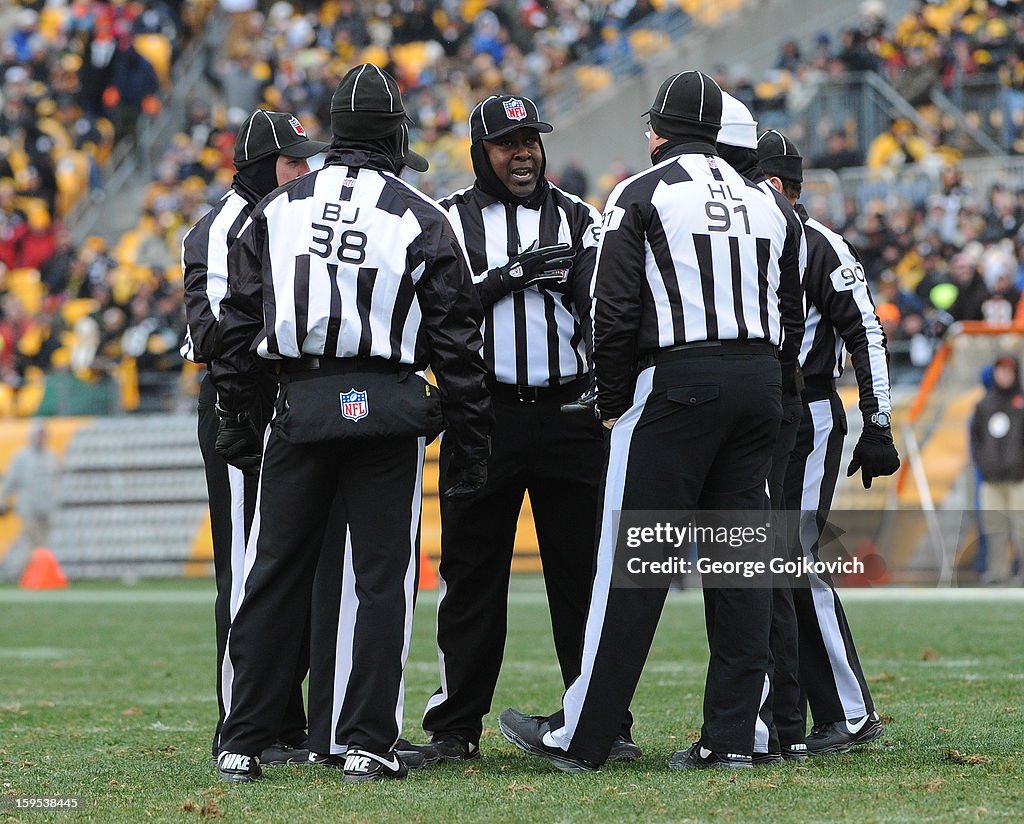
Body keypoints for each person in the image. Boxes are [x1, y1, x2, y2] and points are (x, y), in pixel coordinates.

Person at [499, 69, 804, 772]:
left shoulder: (640, 194)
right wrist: (770, 384)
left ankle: (586, 732)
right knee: (742, 566)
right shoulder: (768, 203)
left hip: (679, 385)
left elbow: (614, 310)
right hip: (758, 384)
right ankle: (732, 737)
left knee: (633, 563)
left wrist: (610, 398)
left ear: (660, 132)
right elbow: (791, 311)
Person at [211, 63, 492, 784]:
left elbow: (238, 326)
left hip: (300, 404)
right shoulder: (421, 214)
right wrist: (470, 436)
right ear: (396, 134)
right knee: (381, 580)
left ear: (335, 133)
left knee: (272, 574)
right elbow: (457, 343)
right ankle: (367, 739)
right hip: (387, 410)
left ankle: (242, 738)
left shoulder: (276, 209)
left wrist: (237, 415)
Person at [419, 93, 640, 763]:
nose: (523, 153)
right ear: (479, 153)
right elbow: (433, 319)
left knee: (584, 577)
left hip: (569, 413)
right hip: (481, 413)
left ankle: (600, 722)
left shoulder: (582, 217)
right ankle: (456, 729)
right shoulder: (446, 221)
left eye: (531, 140)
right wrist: (502, 279)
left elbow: (611, 311)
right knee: (471, 577)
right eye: (506, 143)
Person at [181, 108, 328, 767]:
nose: (306, 171)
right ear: (261, 166)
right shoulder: (224, 227)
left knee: (290, 564)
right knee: (245, 568)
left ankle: (283, 719)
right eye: (293, 162)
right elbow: (215, 335)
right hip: (242, 401)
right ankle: (240, 725)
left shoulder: (287, 218)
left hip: (288, 399)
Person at [757, 129, 901, 755]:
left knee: (795, 559)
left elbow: (866, 331)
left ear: (786, 187)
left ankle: (849, 711)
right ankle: (786, 714)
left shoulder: (819, 245)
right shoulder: (752, 236)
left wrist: (878, 422)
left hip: (810, 410)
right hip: (763, 415)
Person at [715, 96, 808, 766]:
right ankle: (780, 723)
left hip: (788, 409)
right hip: (774, 402)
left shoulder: (784, 225)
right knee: (763, 563)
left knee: (777, 565)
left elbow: (856, 326)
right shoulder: (769, 219)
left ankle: (783, 720)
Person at [970, 354, 1024, 585]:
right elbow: (976, 439)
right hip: (991, 480)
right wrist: (984, 465)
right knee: (994, 529)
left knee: (1021, 528)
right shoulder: (984, 405)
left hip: (1019, 479)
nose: (1004, 375)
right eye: (1000, 370)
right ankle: (998, 573)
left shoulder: (1021, 403)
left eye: (1008, 371)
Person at [0, 419, 59, 579]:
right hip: (28, 508)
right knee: (35, 544)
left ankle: (36, 576)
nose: (42, 438)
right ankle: (25, 574)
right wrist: (3, 500)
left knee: (43, 546)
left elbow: (54, 482)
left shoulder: (50, 456)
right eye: (39, 435)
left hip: (46, 509)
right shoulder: (22, 457)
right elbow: (10, 481)